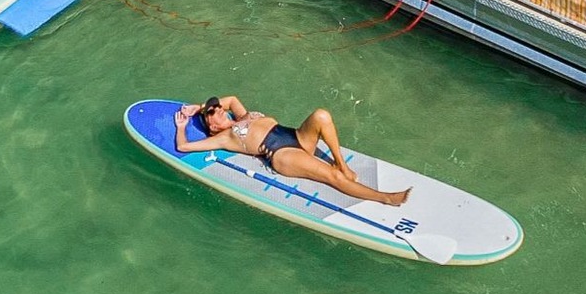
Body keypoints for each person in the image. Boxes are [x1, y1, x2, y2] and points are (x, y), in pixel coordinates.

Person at [174, 96, 410, 206]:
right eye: (212, 112)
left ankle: (342, 163)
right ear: (212, 126)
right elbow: (183, 146)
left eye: (216, 107)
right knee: (332, 176)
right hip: (281, 154)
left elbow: (231, 99)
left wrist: (199, 107)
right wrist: (182, 127)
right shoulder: (224, 137)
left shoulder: (241, 115)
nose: (218, 108)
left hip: (294, 135)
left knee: (321, 115)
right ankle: (386, 198)